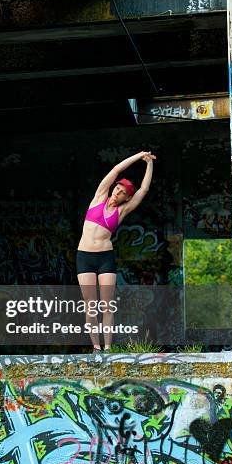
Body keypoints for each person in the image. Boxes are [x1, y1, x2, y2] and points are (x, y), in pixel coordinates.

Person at [76, 151, 156, 352]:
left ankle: (108, 348)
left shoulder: (121, 211)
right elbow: (116, 169)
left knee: (107, 305)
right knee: (90, 305)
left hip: (105, 258)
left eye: (122, 193)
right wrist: (139, 155)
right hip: (84, 257)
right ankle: (96, 347)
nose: (117, 193)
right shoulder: (98, 198)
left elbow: (144, 190)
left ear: (125, 198)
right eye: (117, 189)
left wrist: (148, 164)